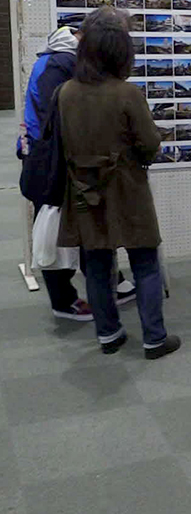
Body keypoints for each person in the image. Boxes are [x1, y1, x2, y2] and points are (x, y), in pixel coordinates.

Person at [57, 7, 180, 359]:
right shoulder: (127, 93)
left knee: (96, 266)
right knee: (145, 263)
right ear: (120, 52)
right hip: (127, 189)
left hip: (84, 191)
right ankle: (154, 338)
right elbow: (150, 143)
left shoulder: (66, 92)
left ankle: (108, 335)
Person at [18, 25, 137, 321]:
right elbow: (59, 119)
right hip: (54, 162)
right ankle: (64, 300)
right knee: (62, 230)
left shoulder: (55, 60)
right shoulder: (61, 66)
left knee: (80, 228)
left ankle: (110, 283)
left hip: (53, 158)